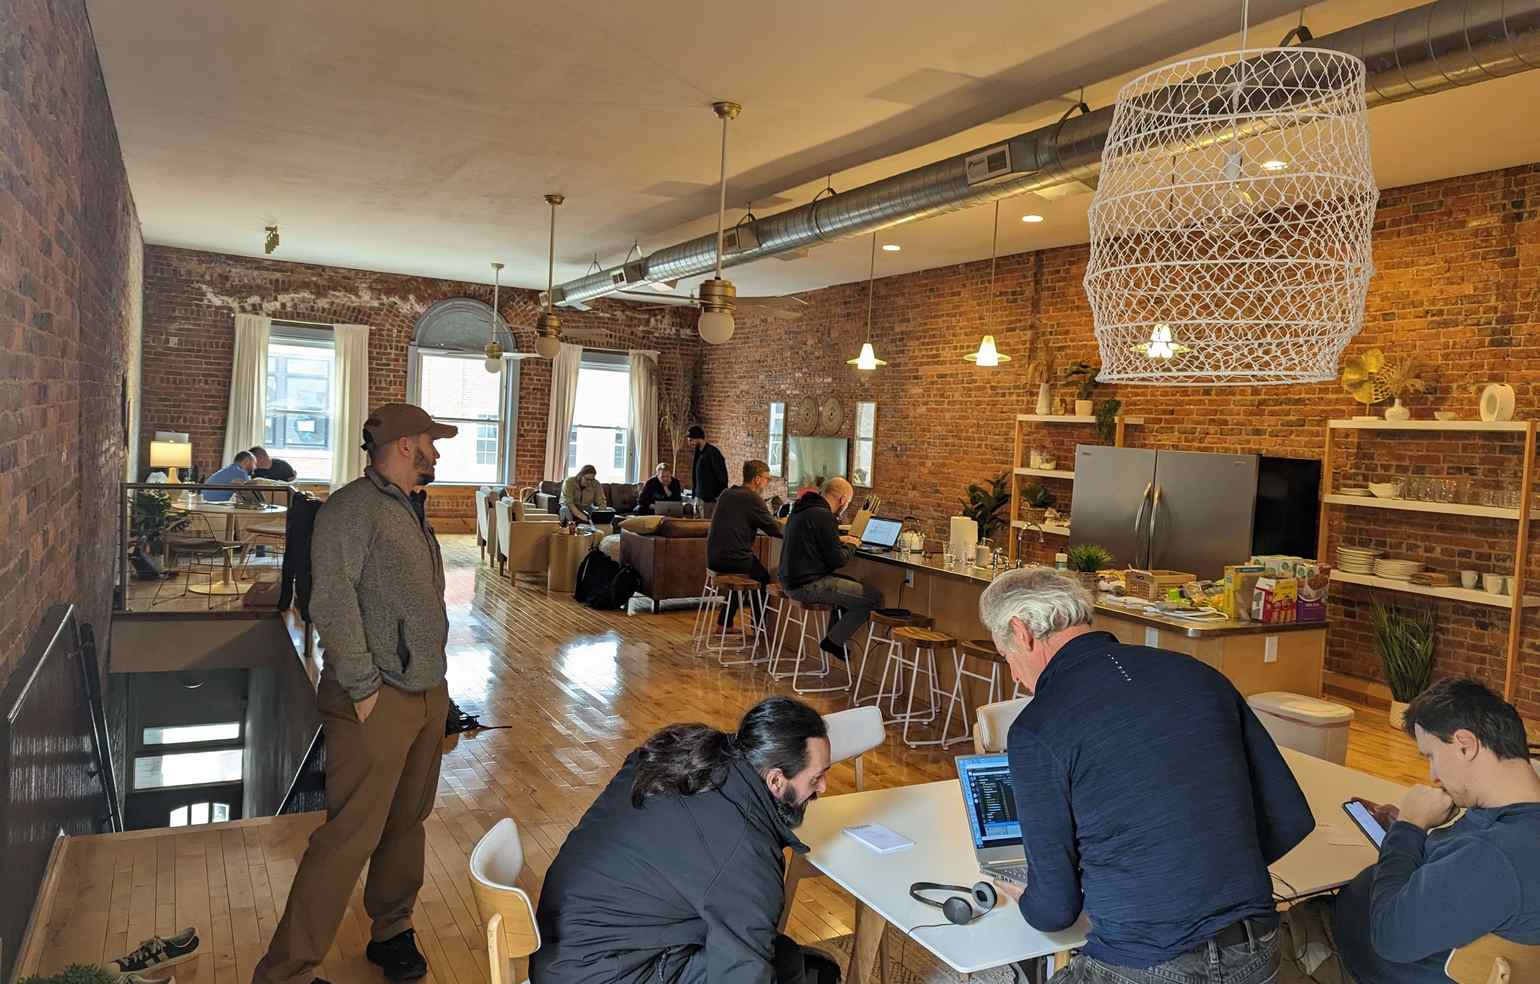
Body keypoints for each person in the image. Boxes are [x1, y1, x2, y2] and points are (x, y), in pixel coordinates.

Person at [978, 568, 1314, 984]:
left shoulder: (1037, 728)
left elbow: (1055, 911)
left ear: (1021, 631)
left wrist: (1026, 896)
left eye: (1006, 655)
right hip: (1257, 951)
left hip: (1143, 965)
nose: (1013, 674)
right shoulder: (1200, 676)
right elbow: (1290, 818)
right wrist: (1194, 872)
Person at [252, 402, 457, 984]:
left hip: (424, 693)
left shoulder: (409, 509)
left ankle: (391, 931)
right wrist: (366, 687)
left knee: (406, 822)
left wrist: (436, 688)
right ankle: (286, 971)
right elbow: (332, 601)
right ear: (401, 446)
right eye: (428, 441)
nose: (435, 452)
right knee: (348, 837)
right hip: (375, 701)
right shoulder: (351, 509)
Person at [531, 696, 839, 984]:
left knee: (774, 952)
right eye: (815, 777)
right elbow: (741, 974)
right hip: (600, 973)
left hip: (562, 943)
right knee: (776, 961)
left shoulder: (687, 753)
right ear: (775, 779)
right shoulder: (744, 851)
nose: (823, 787)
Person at [1280, 677, 1540, 984]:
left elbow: (1390, 938)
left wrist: (1409, 826)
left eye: (1431, 755)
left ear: (1465, 745)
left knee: (1230, 943)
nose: (1432, 774)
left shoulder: (1498, 854)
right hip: (1341, 929)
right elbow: (1461, 879)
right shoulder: (1509, 816)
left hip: (1341, 957)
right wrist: (1410, 835)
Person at [778, 476, 880, 662]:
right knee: (872, 597)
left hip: (790, 580)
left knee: (851, 586)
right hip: (807, 585)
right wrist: (853, 545)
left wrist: (840, 540)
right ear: (842, 500)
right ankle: (833, 641)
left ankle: (835, 638)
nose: (846, 506)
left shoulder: (802, 509)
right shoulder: (824, 516)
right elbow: (838, 560)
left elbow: (814, 539)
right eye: (848, 502)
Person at [706, 459, 783, 627]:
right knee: (762, 577)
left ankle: (724, 623)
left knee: (742, 576)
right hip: (733, 559)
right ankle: (759, 627)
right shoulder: (752, 498)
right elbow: (774, 530)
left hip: (714, 558)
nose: (767, 483)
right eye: (767, 479)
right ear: (757, 479)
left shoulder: (727, 493)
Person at [688, 425, 729, 505]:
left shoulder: (712, 452)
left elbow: (722, 476)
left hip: (710, 500)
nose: (689, 443)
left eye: (691, 440)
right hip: (698, 498)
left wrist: (718, 496)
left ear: (698, 439)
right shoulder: (698, 452)